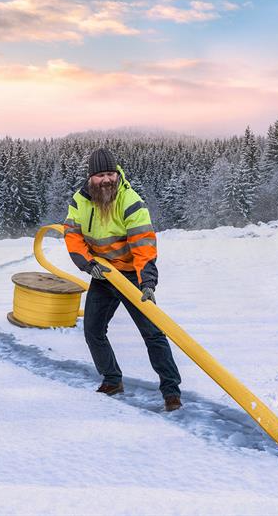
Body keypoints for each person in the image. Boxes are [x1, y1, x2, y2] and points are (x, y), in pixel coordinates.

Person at [63, 147, 182, 412]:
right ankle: (112, 380)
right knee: (93, 330)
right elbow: (73, 236)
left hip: (131, 274)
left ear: (117, 175)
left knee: (152, 333)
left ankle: (171, 391)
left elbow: (143, 244)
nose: (106, 180)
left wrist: (147, 283)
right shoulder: (80, 202)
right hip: (103, 273)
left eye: (110, 174)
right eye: (100, 175)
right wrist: (88, 263)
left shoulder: (129, 201)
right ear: (90, 178)